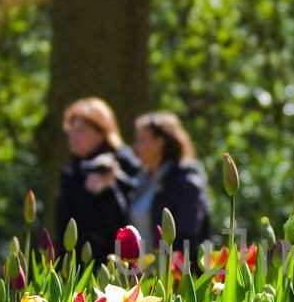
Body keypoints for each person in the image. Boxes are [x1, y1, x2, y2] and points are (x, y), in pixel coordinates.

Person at [54, 98, 141, 260]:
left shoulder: (125, 163)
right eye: (70, 130)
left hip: (115, 261)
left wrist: (109, 189)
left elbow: (130, 222)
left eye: (80, 130)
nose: (73, 136)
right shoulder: (73, 170)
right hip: (75, 260)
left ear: (102, 132)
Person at [129, 111, 212, 251]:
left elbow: (187, 236)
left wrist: (171, 268)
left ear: (160, 143)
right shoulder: (141, 180)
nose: (135, 147)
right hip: (140, 270)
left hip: (171, 269)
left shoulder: (186, 182)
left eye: (141, 140)